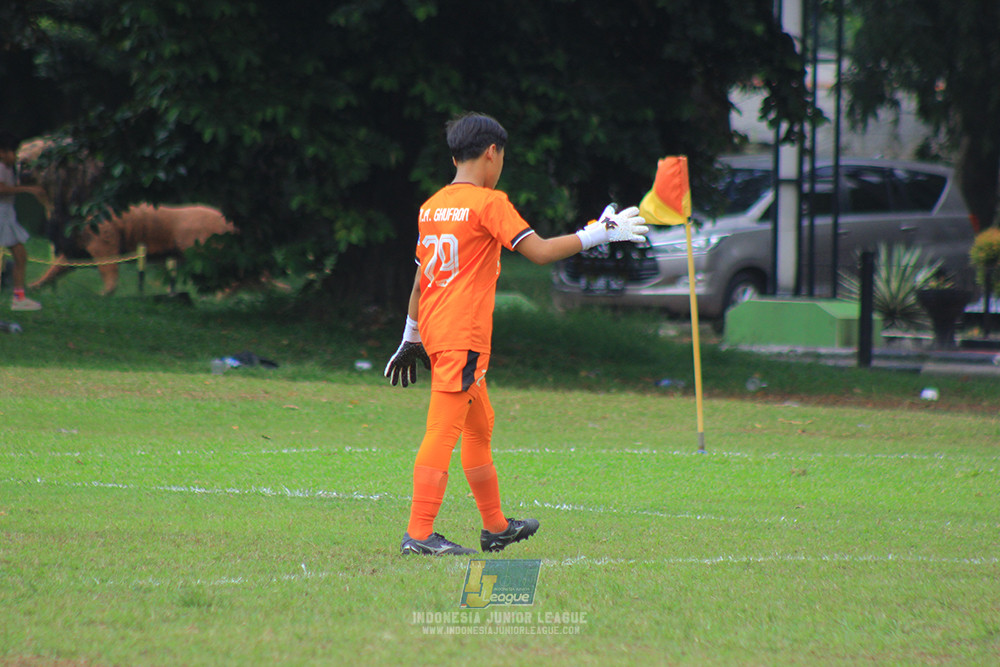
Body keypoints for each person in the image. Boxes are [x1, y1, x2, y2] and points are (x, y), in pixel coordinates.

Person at [384, 112, 648, 555]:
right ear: (493, 152)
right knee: (442, 432)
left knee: (479, 427)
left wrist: (412, 336)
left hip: (436, 327)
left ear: (454, 155)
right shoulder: (490, 203)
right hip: (461, 333)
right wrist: (598, 233)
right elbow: (541, 252)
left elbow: (418, 281)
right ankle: (419, 533)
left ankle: (496, 527)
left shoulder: (430, 207)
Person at [0, 131, 47, 311]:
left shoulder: (8, 167)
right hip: (2, 214)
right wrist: (29, 190)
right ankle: (18, 298)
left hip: (6, 213)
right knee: (20, 255)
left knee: (20, 255)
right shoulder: (2, 167)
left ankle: (18, 298)